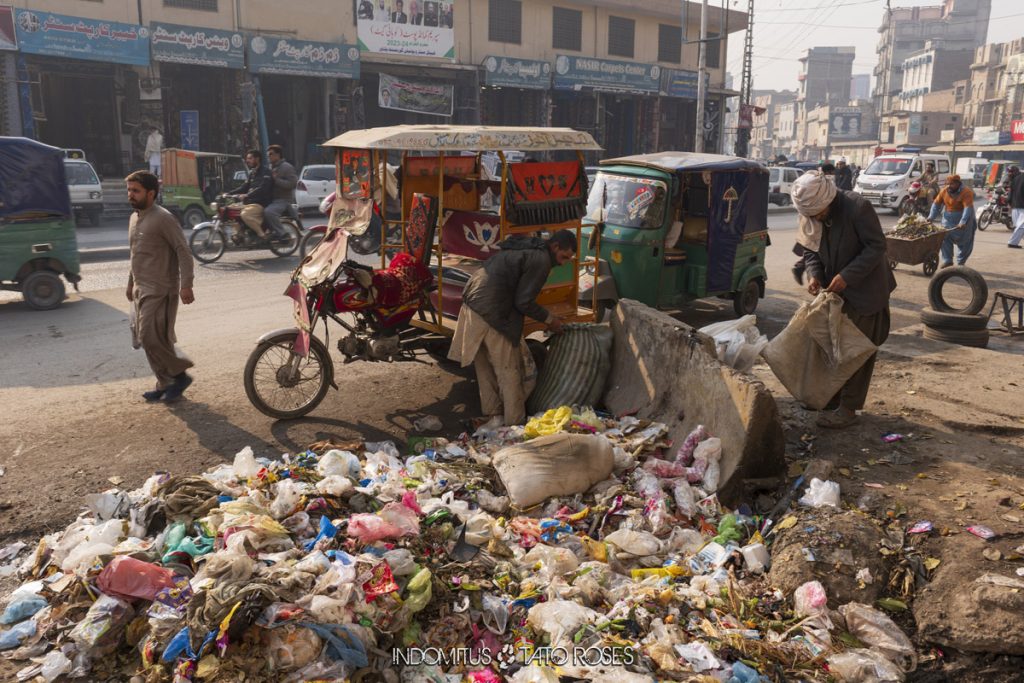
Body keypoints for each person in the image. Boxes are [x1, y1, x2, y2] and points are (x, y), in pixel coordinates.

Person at [793, 171, 896, 429]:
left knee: (856, 351)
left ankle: (849, 409)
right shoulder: (811, 212)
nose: (815, 219)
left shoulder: (857, 207)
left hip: (866, 291)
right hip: (834, 292)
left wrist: (847, 276)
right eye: (812, 216)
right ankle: (831, 397)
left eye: (818, 214)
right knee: (832, 347)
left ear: (827, 201)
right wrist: (815, 275)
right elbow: (810, 248)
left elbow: (876, 247)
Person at [448, 231, 577, 428]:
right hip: (490, 309)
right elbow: (523, 302)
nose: (563, 263)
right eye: (564, 257)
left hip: (472, 305)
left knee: (485, 369)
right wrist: (551, 320)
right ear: (555, 247)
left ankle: (494, 418)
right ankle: (513, 425)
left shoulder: (530, 248)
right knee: (509, 371)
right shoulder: (541, 259)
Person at [124, 171, 195, 403]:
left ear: (151, 193)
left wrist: (186, 285)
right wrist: (130, 282)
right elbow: (135, 254)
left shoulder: (163, 218)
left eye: (136, 191)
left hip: (161, 289)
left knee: (149, 337)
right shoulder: (134, 218)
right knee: (150, 340)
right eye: (129, 190)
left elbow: (183, 251)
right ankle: (165, 382)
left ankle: (180, 374)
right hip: (140, 289)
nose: (130, 195)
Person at [927, 175, 976, 267]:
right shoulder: (944, 190)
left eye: (952, 184)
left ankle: (961, 262)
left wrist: (963, 222)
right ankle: (947, 260)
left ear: (958, 183)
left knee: (965, 242)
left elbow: (967, 209)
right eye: (948, 184)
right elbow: (936, 204)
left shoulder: (966, 192)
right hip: (948, 219)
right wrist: (931, 217)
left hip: (963, 220)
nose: (949, 186)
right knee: (944, 237)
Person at [229, 149, 274, 241]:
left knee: (245, 214)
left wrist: (247, 195)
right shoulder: (252, 173)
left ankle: (262, 235)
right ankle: (240, 234)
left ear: (257, 159)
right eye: (247, 158)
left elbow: (263, 188)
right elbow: (244, 187)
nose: (247, 161)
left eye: (250, 158)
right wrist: (229, 193)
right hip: (249, 203)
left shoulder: (266, 171)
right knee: (230, 211)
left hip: (260, 203)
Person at [265, 144, 297, 240]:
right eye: (268, 155)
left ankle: (282, 233)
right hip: (271, 199)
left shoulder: (287, 167)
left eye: (271, 154)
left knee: (269, 212)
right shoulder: (270, 168)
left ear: (278, 155)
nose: (269, 157)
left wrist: (276, 180)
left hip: (283, 200)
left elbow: (292, 184)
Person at [1006, 166, 1024, 248]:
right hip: (1020, 207)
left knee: (1019, 226)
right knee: (1021, 226)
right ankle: (1012, 242)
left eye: (1011, 172)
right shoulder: (1015, 179)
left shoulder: (1014, 179)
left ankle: (1013, 242)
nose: (1009, 173)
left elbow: (1010, 193)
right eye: (1009, 172)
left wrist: (1009, 202)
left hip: (1015, 206)